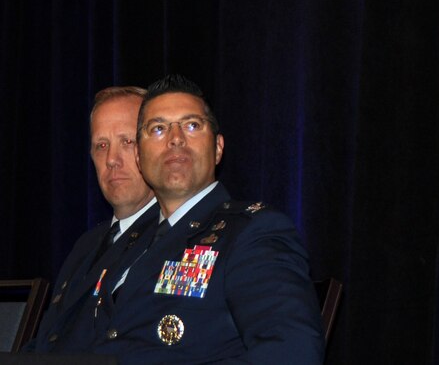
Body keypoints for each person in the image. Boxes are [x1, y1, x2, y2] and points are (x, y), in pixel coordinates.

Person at [74, 74, 324, 363]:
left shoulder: (252, 232)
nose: (175, 138)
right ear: (140, 158)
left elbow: (291, 351)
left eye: (192, 125)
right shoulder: (127, 246)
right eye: (158, 129)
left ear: (218, 148)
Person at [28, 87, 159, 352]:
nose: (111, 159)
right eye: (101, 145)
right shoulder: (87, 244)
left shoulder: (171, 239)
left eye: (127, 141)